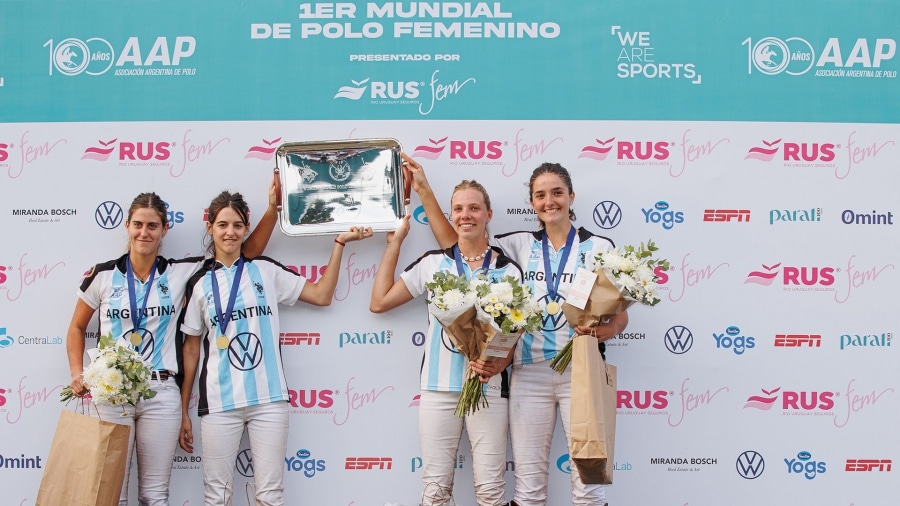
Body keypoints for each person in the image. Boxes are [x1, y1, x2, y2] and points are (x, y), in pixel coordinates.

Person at [407, 157, 627, 506]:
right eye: (540, 195)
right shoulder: (517, 245)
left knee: (588, 481)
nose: (549, 201)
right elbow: (459, 242)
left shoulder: (600, 248)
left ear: (571, 196)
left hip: (582, 372)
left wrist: (601, 332)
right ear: (532, 203)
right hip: (529, 373)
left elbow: (619, 318)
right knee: (529, 485)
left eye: (557, 192)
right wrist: (424, 191)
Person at [64, 178, 279, 506]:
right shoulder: (103, 275)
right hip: (111, 391)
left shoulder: (181, 272)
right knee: (110, 494)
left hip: (160, 394)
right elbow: (77, 327)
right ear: (127, 226)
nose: (144, 232)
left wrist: (272, 211)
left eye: (152, 225)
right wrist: (77, 372)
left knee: (154, 495)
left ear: (165, 229)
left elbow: (242, 253)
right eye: (138, 224)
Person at [178, 190, 372, 506]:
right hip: (218, 402)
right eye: (223, 225)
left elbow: (322, 295)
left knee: (269, 496)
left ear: (246, 229)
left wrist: (339, 244)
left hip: (268, 400)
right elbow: (190, 350)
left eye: (238, 225)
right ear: (210, 227)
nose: (230, 233)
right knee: (217, 496)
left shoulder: (265, 270)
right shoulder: (198, 283)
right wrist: (184, 408)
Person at [370, 176, 521, 506]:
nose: (466, 215)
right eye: (459, 209)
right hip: (437, 388)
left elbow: (514, 330)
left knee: (491, 489)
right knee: (436, 488)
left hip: (489, 387)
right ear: (451, 216)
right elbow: (379, 302)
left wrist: (495, 361)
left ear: (488, 215)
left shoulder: (508, 270)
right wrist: (394, 244)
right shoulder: (432, 263)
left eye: (474, 208)